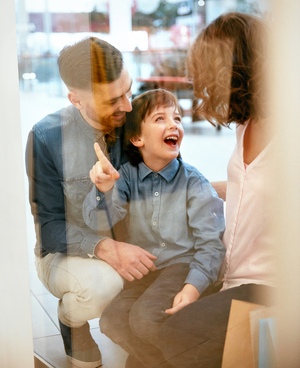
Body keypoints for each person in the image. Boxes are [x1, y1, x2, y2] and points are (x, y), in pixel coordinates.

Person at [154, 12, 277, 367]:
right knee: (149, 323)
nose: (205, 89)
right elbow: (248, 185)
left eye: (209, 77)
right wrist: (194, 188)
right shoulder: (247, 124)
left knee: (175, 335)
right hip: (234, 270)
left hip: (269, 284)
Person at [26, 37, 157, 368]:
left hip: (133, 243)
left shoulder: (135, 120)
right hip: (68, 255)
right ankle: (73, 322)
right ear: (76, 99)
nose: (127, 106)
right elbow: (50, 229)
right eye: (113, 100)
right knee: (103, 285)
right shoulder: (46, 137)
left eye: (129, 90)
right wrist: (105, 247)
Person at [82, 88, 226, 368]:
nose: (174, 124)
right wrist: (104, 189)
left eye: (178, 118)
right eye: (160, 119)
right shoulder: (123, 177)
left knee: (145, 319)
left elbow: (211, 245)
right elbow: (98, 222)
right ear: (137, 138)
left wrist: (193, 287)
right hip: (145, 272)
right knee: (111, 321)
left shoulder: (194, 182)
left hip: (182, 267)